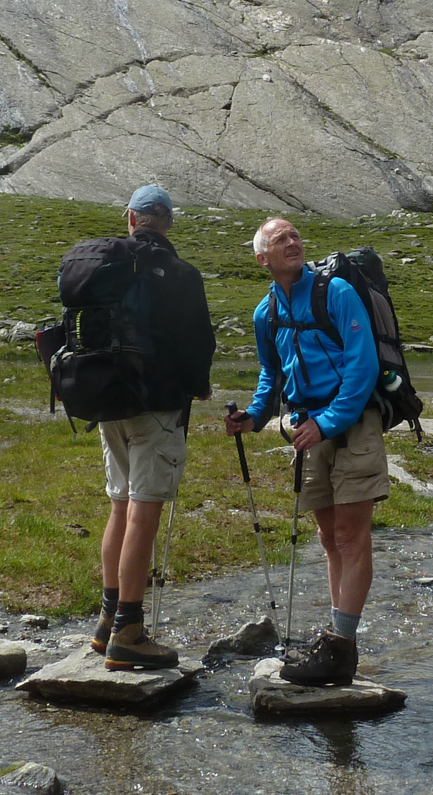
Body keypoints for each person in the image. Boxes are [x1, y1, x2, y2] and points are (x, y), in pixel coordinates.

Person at [224, 217, 386, 687]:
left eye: (294, 235)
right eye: (281, 239)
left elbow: (363, 365)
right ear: (263, 258)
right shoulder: (266, 312)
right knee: (329, 537)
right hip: (307, 428)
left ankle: (340, 645)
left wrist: (327, 423)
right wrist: (254, 417)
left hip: (351, 423)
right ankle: (338, 641)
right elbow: (271, 373)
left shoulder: (336, 292)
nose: (292, 242)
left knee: (351, 535)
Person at [91, 185, 216, 671]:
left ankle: (107, 621)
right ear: (168, 224)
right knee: (143, 513)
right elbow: (199, 341)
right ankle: (129, 632)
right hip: (158, 406)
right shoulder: (181, 274)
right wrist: (199, 387)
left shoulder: (105, 264)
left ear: (130, 219)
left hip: (108, 401)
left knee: (119, 506)